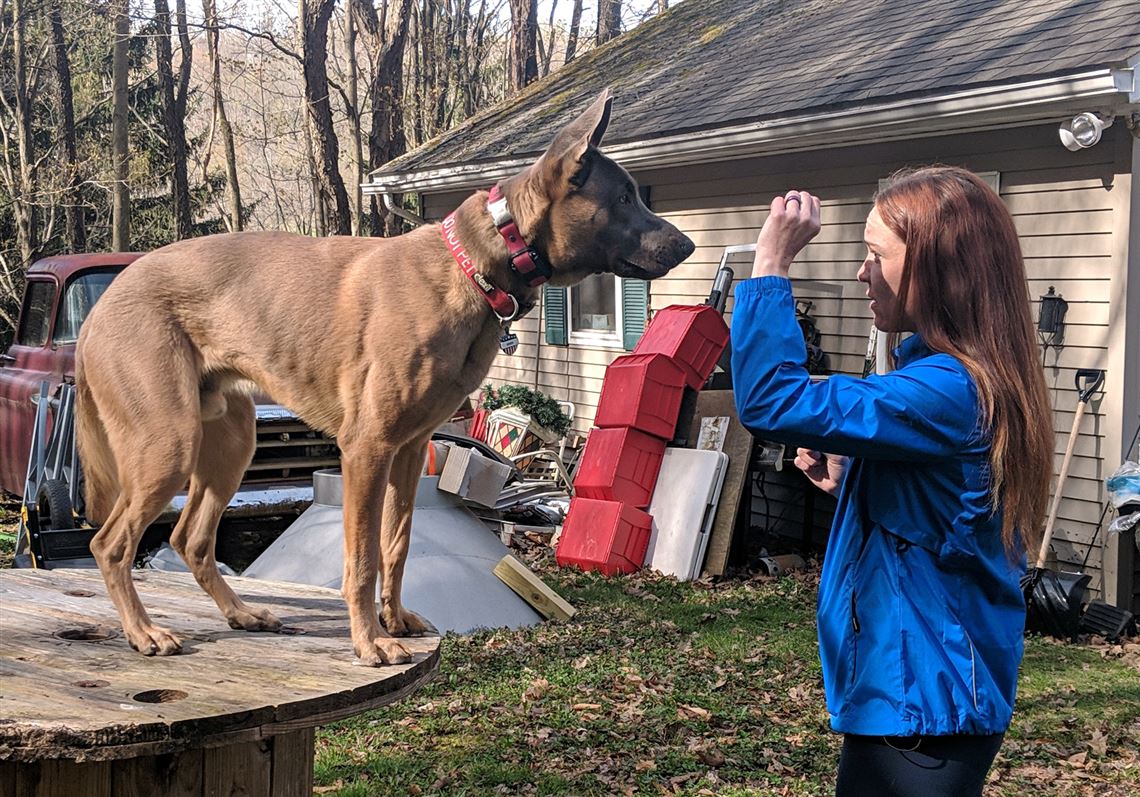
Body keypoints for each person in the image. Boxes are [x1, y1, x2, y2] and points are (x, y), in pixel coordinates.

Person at [730, 166, 1054, 796]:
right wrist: (858, 476)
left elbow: (770, 398)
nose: (862, 272)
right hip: (911, 693)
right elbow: (942, 521)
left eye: (876, 254)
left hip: (924, 705)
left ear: (938, 270)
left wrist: (770, 262)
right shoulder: (952, 377)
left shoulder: (951, 389)